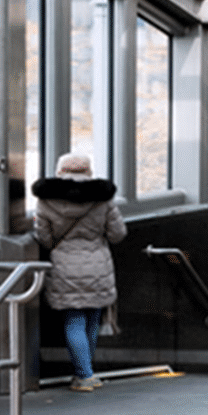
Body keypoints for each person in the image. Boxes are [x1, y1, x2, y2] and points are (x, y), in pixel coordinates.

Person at [31, 152, 126, 391]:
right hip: (97, 265)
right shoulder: (103, 198)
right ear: (88, 171)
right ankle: (87, 373)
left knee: (73, 321)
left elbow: (43, 237)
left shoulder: (45, 200)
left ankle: (84, 375)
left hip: (64, 265)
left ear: (60, 171)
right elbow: (118, 234)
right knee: (92, 321)